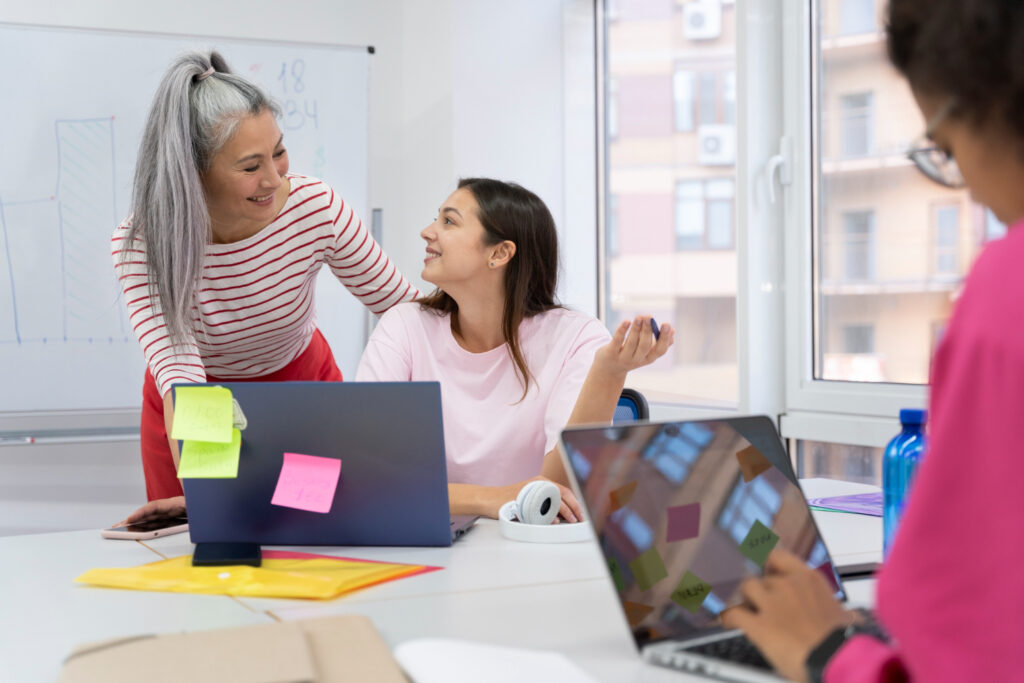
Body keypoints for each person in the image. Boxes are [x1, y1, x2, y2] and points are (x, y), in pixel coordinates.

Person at [720, 1, 1024, 681]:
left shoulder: (1008, 290)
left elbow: (967, 648)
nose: (966, 178)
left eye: (944, 147)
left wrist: (830, 652)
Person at [113, 51, 418, 502]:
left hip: (300, 397)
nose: (275, 179)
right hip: (199, 400)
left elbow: (401, 308)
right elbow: (179, 368)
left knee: (308, 529)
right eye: (251, 167)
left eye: (278, 153)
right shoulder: (145, 242)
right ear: (194, 173)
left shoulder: (315, 208)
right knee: (215, 544)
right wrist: (211, 496)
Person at [355, 178, 675, 520]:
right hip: (427, 545)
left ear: (500, 253)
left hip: (529, 549)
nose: (427, 232)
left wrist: (609, 373)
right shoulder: (404, 326)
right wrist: (488, 499)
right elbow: (366, 479)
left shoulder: (576, 338)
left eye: (448, 221)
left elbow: (557, 496)